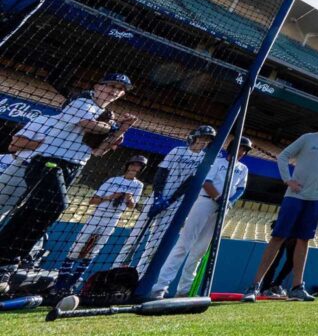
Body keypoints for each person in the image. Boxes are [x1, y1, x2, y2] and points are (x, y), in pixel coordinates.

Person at [0, 73, 136, 278]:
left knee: (36, 209)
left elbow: (99, 151)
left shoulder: (105, 115)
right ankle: (9, 256)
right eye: (111, 85)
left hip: (72, 167)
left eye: (120, 89)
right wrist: (113, 126)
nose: (115, 91)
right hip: (49, 161)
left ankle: (9, 258)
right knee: (56, 205)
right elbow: (87, 124)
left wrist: (121, 129)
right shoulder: (83, 102)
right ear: (98, 86)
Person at [241, 112, 318, 303]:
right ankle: (254, 285)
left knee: (304, 241)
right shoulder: (307, 138)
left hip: (315, 199)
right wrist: (288, 180)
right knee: (278, 237)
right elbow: (283, 156)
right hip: (294, 196)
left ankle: (297, 287)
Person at [148, 137, 251, 299]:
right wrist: (219, 199)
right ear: (232, 147)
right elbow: (207, 182)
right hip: (205, 202)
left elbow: (240, 188)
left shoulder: (243, 168)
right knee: (184, 245)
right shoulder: (217, 162)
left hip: (222, 208)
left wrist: (229, 201)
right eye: (240, 148)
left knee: (200, 250)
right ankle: (160, 287)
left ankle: (184, 291)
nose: (242, 152)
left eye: (245, 150)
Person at [118, 124, 215, 277]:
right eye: (203, 137)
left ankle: (140, 276)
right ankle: (116, 270)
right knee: (134, 236)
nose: (204, 141)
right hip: (157, 197)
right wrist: (158, 196)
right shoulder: (177, 151)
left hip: (174, 203)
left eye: (208, 139)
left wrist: (169, 201)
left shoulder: (204, 158)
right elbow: (161, 172)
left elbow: (189, 182)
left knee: (154, 244)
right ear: (195, 136)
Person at [48, 155, 147, 299]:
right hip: (97, 216)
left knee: (93, 252)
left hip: (113, 219)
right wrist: (110, 197)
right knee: (77, 248)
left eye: (138, 166)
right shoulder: (113, 180)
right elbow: (92, 200)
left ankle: (72, 284)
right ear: (128, 165)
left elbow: (132, 206)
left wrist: (129, 199)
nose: (135, 167)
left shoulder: (138, 185)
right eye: (133, 164)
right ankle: (60, 284)